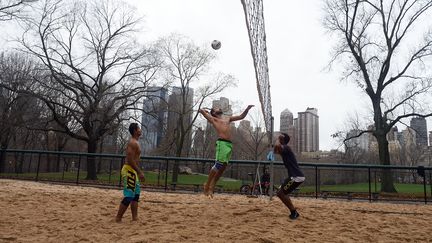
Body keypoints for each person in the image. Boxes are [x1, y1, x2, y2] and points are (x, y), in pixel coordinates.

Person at [199, 105, 254, 197]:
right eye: (217, 108)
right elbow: (201, 111)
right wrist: (203, 110)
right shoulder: (213, 119)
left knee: (222, 168)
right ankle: (207, 185)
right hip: (222, 143)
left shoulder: (228, 118)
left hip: (229, 144)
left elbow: (241, 117)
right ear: (214, 113)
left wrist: (247, 109)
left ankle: (212, 186)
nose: (219, 108)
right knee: (218, 165)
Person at [115, 123, 145, 222]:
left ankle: (134, 218)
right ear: (135, 131)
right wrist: (139, 172)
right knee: (129, 196)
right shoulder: (132, 143)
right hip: (129, 170)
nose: (140, 130)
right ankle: (118, 218)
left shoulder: (136, 142)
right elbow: (130, 159)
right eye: (139, 128)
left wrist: (137, 171)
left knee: (136, 195)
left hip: (132, 171)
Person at [273, 133, 305, 220]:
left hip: (296, 177)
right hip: (294, 176)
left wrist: (278, 139)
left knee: (280, 193)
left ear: (283, 140)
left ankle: (294, 212)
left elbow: (277, 147)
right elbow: (275, 150)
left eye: (280, 137)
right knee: (281, 193)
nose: (278, 138)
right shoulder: (285, 150)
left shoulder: (286, 147)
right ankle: (294, 212)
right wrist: (278, 141)